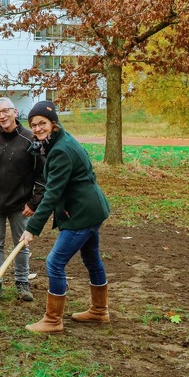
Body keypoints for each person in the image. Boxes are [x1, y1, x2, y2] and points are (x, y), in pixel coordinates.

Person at [20, 100, 111, 333]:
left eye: (42, 123)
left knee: (55, 262)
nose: (38, 128)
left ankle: (53, 320)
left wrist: (31, 229)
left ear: (53, 123)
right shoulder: (59, 141)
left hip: (81, 213)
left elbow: (51, 194)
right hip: (91, 209)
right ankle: (99, 311)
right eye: (33, 125)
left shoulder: (61, 150)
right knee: (91, 258)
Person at [0, 97, 45, 302]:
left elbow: (41, 174)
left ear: (15, 112)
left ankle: (22, 282)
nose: (2, 116)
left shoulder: (30, 139)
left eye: (5, 111)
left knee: (21, 243)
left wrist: (34, 202)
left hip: (20, 206)